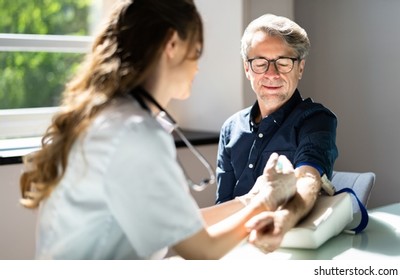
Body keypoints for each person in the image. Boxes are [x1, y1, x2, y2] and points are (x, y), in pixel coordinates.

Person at [18, 0, 295, 260]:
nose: (198, 67)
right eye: (197, 51)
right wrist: (267, 200)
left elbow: (184, 226)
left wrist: (251, 198)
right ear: (172, 43)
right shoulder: (135, 133)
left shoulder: (109, 118)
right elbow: (202, 249)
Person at [216, 14, 338, 253]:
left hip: (291, 246)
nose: (271, 74)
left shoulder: (315, 120)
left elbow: (308, 179)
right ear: (247, 69)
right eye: (260, 63)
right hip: (236, 248)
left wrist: (282, 220)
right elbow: (224, 204)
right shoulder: (230, 128)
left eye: (283, 63)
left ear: (300, 68)